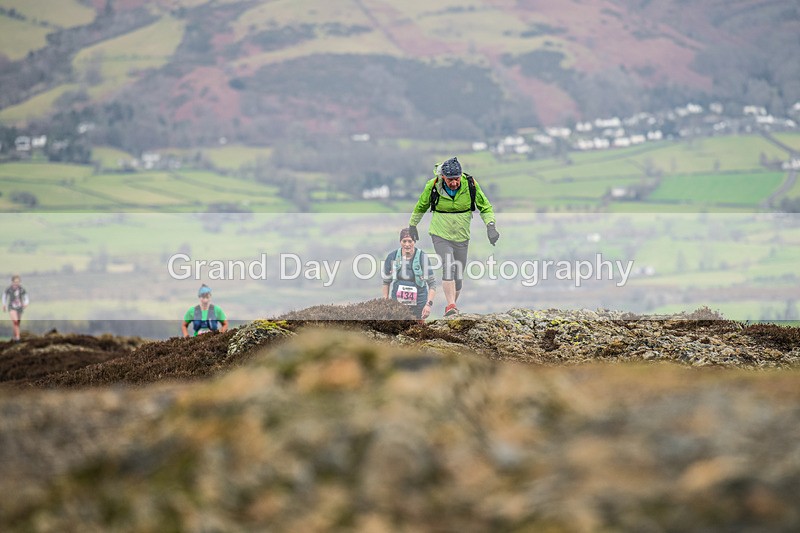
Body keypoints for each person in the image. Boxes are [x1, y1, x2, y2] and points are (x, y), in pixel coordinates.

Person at [408, 156, 499, 317]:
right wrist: (412, 225)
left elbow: (485, 206)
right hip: (440, 233)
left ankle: (452, 308)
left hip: (462, 236)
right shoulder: (433, 186)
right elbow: (421, 205)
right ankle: (450, 305)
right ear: (443, 176)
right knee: (448, 265)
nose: (454, 183)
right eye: (450, 180)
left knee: (458, 275)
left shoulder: (470, 184)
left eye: (457, 179)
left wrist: (490, 226)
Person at [382, 227, 438, 320]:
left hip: (419, 304)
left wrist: (428, 305)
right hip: (397, 303)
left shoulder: (422, 257)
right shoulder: (392, 256)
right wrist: (385, 301)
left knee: (418, 331)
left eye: (410, 241)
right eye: (404, 241)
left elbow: (432, 284)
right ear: (400, 242)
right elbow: (386, 282)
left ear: (414, 242)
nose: (407, 244)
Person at [3, 275, 29, 342]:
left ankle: (15, 336)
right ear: (12, 282)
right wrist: (4, 304)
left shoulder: (21, 289)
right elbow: (4, 296)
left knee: (17, 323)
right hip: (11, 307)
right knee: (15, 321)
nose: (16, 283)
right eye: (15, 282)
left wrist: (26, 303)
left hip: (20, 307)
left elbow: (26, 297)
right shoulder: (9, 289)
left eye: (18, 282)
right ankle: (18, 337)